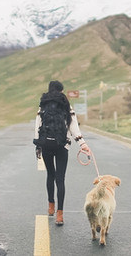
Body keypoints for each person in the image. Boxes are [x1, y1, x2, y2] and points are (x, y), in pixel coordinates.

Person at [33, 80, 90, 225]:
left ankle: (50, 206)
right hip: (62, 145)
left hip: (46, 144)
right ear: (61, 90)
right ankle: (60, 214)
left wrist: (38, 145)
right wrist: (82, 143)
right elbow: (73, 126)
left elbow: (38, 126)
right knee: (60, 179)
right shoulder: (66, 104)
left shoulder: (43, 104)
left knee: (50, 175)